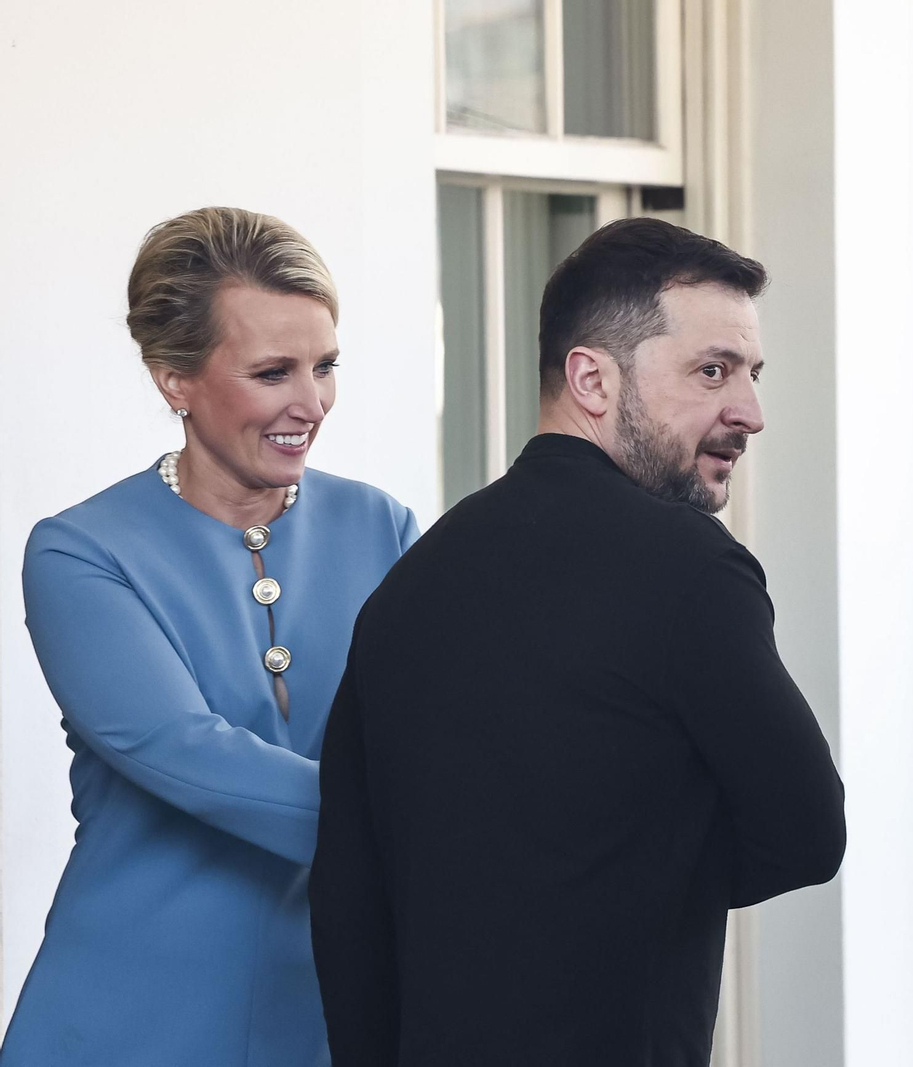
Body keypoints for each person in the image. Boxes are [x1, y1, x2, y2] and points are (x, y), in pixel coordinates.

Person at [309, 217, 846, 1066]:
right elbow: (808, 832)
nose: (749, 412)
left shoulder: (413, 580)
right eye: (713, 371)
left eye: (750, 374)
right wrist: (643, 869)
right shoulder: (691, 566)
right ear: (592, 378)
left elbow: (349, 893)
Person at [2, 207, 419, 1066]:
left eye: (326, 365)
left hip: (330, 1012)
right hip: (129, 1016)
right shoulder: (81, 551)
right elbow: (186, 751)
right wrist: (444, 823)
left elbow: (458, 731)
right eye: (273, 371)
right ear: (174, 380)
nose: (311, 402)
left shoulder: (384, 526)